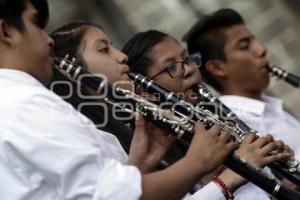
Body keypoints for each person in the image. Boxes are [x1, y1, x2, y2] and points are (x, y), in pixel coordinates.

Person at [0, 1, 239, 198]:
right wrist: (202, 164)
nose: (47, 39)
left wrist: (138, 166)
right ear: (6, 31)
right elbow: (113, 196)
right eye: (34, 22)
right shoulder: (25, 104)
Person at [122, 29, 292, 199]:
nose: (189, 69)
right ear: (144, 92)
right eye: (171, 66)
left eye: (187, 59)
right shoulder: (151, 165)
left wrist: (286, 185)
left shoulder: (224, 124)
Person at [183, 8, 300, 198]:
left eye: (254, 40)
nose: (261, 49)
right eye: (245, 46)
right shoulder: (232, 128)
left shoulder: (267, 104)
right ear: (217, 68)